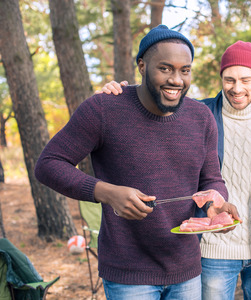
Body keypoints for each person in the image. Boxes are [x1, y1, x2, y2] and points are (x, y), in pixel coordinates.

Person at [34, 25, 240, 300]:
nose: (177, 80)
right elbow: (48, 164)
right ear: (142, 66)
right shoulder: (104, 109)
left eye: (185, 70)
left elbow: (212, 179)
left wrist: (217, 200)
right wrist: (107, 192)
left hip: (187, 270)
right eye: (165, 69)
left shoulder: (201, 117)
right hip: (128, 274)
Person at [100, 40, 251, 300]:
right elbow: (152, 108)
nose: (237, 88)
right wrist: (116, 96)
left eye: (246, 79)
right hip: (210, 251)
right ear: (220, 78)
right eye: (229, 79)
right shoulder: (196, 114)